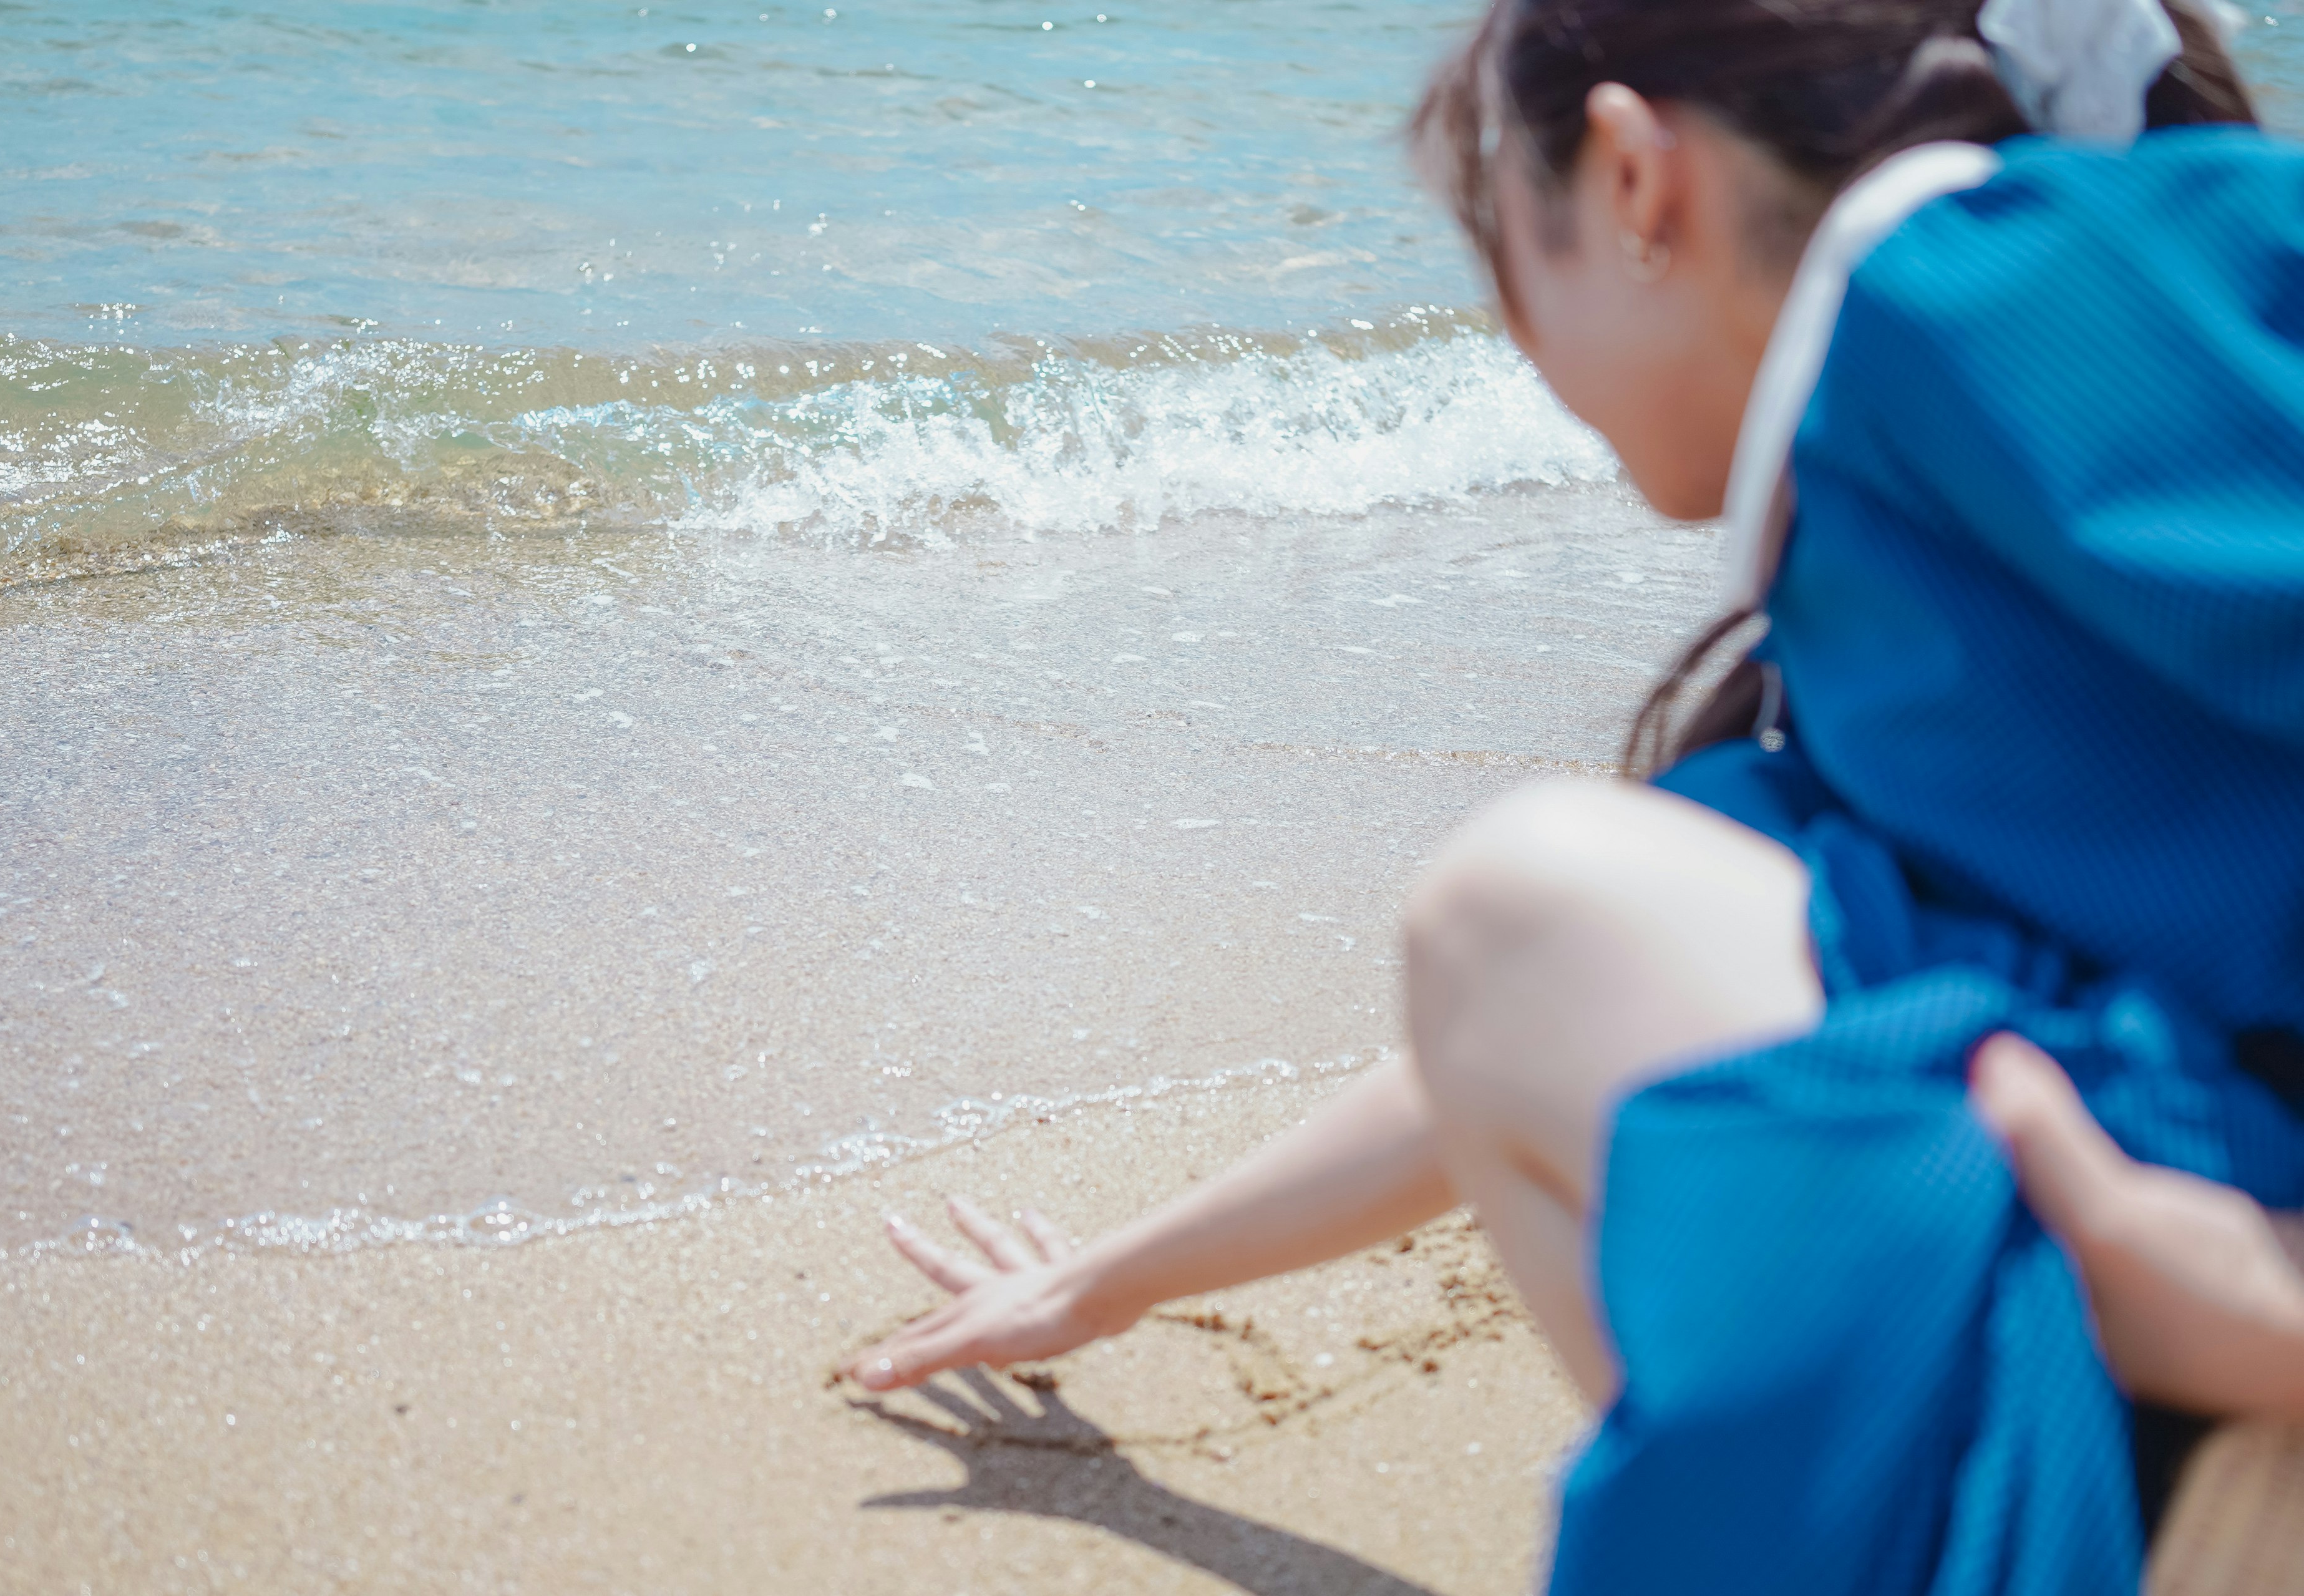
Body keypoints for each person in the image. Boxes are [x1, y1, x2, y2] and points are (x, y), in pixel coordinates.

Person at [849, 0, 2304, 1587]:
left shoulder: (1986, 306)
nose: (1526, 358)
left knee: (1528, 898)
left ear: (1629, 179)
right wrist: (1110, 1280)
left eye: (1499, 258)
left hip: (2221, 1337)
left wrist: (2268, 1317)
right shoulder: (1909, 481)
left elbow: (1525, 969)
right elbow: (1497, 1042)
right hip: (2170, 1284)